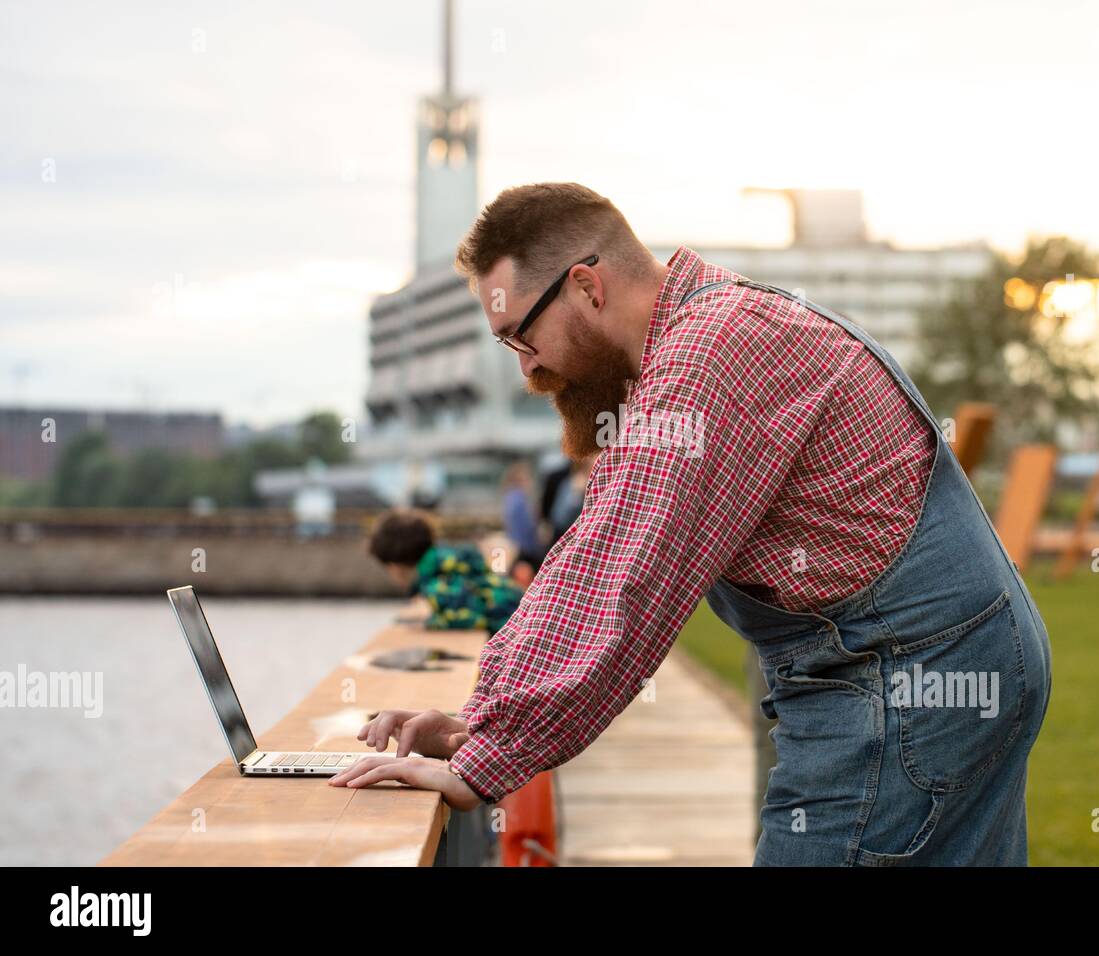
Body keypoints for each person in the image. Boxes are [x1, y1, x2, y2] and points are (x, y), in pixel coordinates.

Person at [333, 183, 1053, 865]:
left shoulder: (704, 360)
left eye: (521, 336)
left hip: (907, 680)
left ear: (586, 285)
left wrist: (486, 758)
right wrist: (480, 722)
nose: (529, 370)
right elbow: (596, 545)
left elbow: (622, 574)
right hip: (960, 658)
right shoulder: (706, 330)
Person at [366, 509, 523, 638]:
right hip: (523, 624)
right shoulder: (447, 560)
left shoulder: (436, 583)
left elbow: (468, 617)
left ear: (395, 566)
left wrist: (431, 622)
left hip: (518, 635)